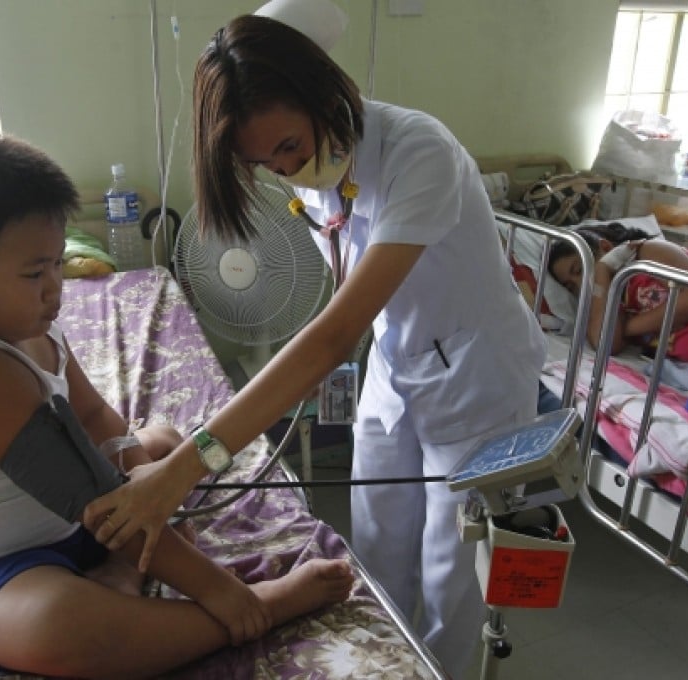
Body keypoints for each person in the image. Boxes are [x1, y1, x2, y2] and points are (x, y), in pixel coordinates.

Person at [82, 9, 547, 678]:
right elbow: (345, 293)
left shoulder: (421, 153)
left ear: (328, 96)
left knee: (453, 574)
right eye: (263, 161)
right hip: (399, 363)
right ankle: (384, 663)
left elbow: (330, 334)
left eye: (290, 148)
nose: (285, 169)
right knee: (379, 544)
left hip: (478, 378)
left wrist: (186, 467)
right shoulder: (321, 172)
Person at [0, 131, 354, 679]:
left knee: (165, 446)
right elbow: (96, 498)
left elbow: (96, 419)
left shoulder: (23, 325)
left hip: (64, 525)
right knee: (63, 628)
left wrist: (145, 472)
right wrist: (224, 592)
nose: (54, 289)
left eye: (57, 264)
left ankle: (121, 575)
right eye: (34, 274)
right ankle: (260, 609)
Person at [547, 222, 688, 362]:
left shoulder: (646, 252)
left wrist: (624, 328)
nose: (582, 283)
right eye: (571, 286)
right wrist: (602, 279)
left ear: (605, 247)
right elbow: (606, 345)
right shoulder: (609, 302)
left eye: (579, 269)